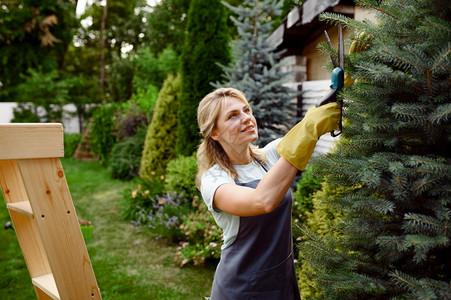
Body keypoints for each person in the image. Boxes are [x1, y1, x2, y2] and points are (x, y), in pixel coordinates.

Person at [196, 87, 340, 299]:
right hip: (241, 288)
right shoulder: (215, 181)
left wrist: (344, 80)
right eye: (233, 116)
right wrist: (310, 127)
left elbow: (303, 132)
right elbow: (261, 201)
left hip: (281, 281)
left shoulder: (270, 156)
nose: (246, 118)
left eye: (247, 110)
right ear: (214, 133)